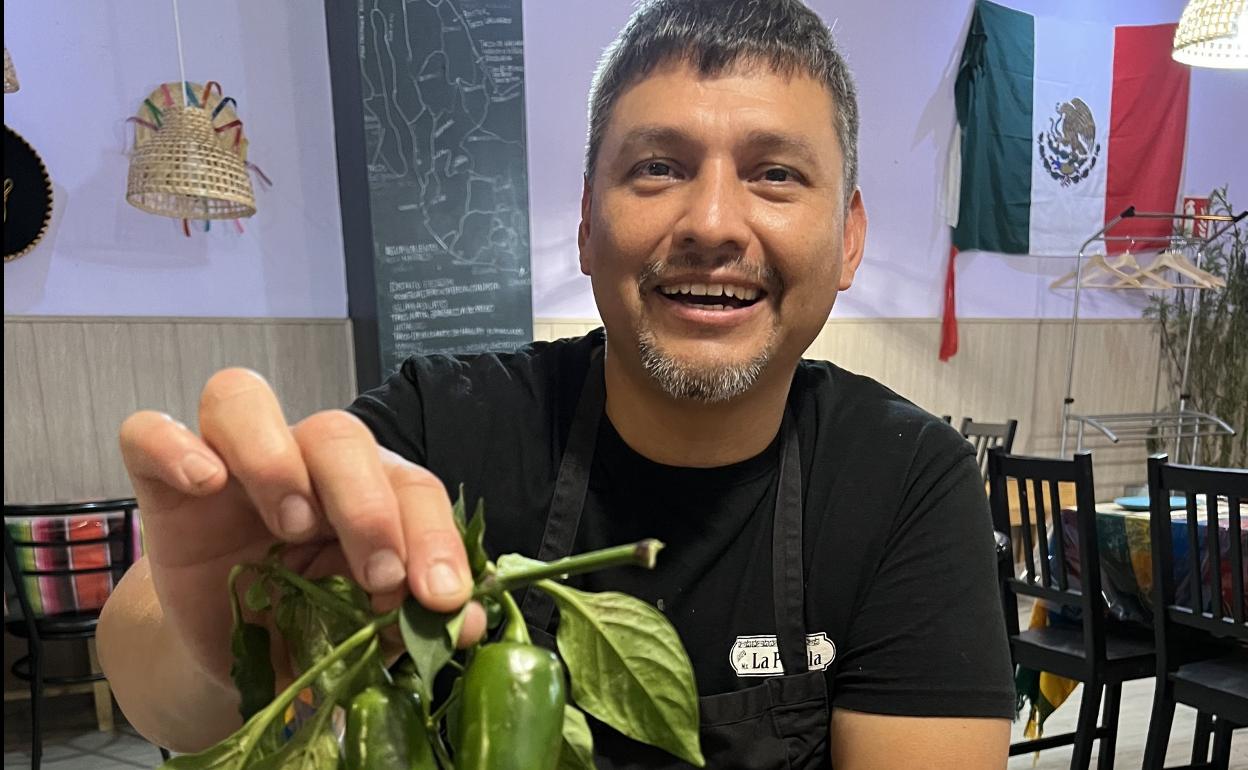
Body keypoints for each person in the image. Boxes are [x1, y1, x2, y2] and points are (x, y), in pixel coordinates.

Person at [98, 0, 1015, 766]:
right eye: (657, 167)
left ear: (849, 238)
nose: (710, 221)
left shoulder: (906, 480)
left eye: (776, 174)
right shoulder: (443, 422)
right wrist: (220, 636)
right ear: (585, 224)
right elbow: (156, 692)